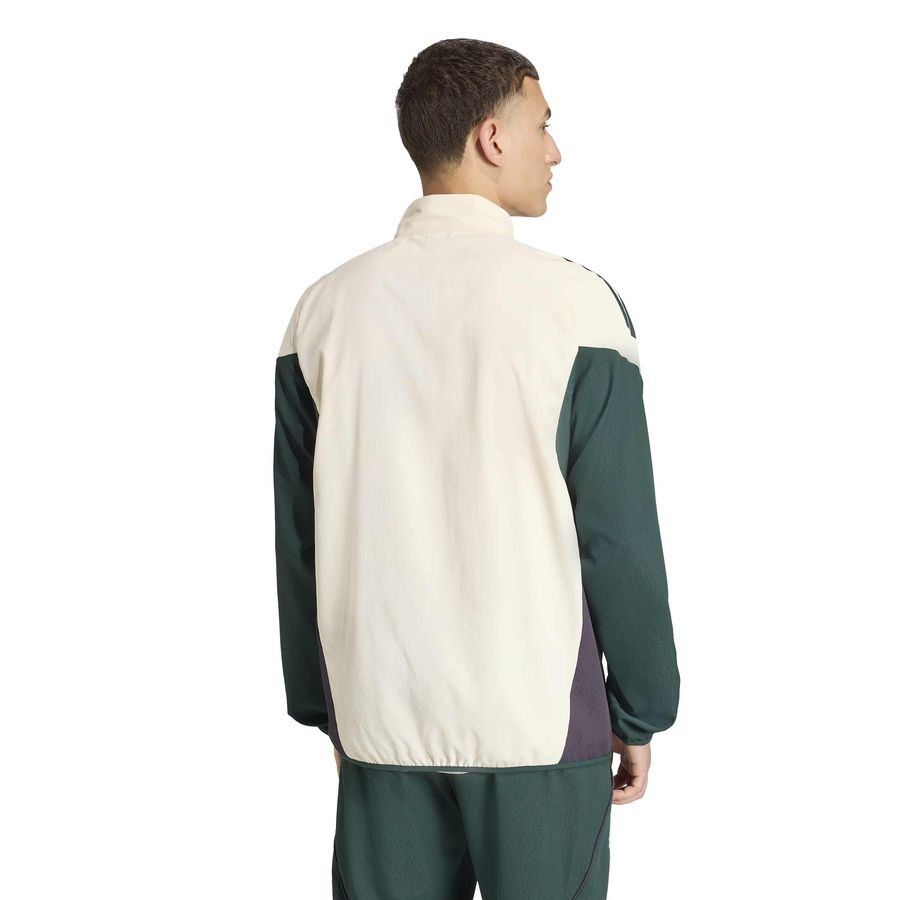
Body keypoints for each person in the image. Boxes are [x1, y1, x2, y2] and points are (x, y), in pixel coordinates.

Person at [273, 37, 680, 900]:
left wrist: (326, 707)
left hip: (380, 719)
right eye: (543, 124)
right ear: (492, 138)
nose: (554, 150)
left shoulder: (322, 313)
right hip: (537, 728)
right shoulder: (576, 307)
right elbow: (618, 536)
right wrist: (641, 707)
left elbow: (299, 538)